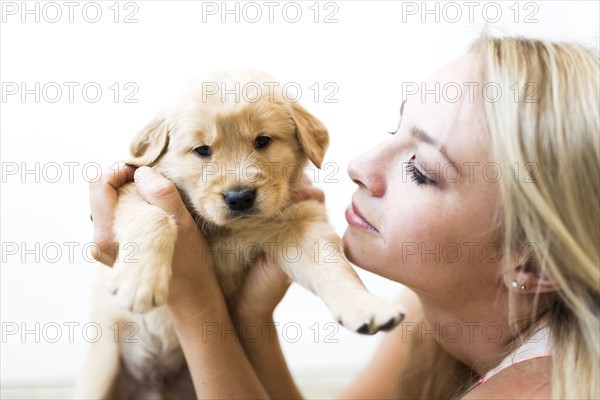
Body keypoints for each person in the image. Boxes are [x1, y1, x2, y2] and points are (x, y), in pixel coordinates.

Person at [89, 34, 599, 399]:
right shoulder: (430, 318)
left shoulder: (534, 390)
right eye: (395, 127)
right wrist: (250, 315)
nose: (358, 166)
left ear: (534, 265)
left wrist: (195, 302)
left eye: (421, 169)